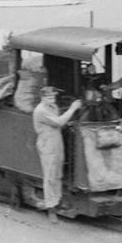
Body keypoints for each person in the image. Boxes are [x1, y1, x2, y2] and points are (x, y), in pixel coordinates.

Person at [32, 86, 82, 221]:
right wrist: (72, 108)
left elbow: (60, 122)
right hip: (47, 144)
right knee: (50, 176)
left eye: (53, 97)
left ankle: (57, 201)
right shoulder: (41, 110)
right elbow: (58, 121)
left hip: (56, 141)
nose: (52, 99)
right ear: (42, 98)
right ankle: (51, 208)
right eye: (49, 97)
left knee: (58, 174)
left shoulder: (52, 107)